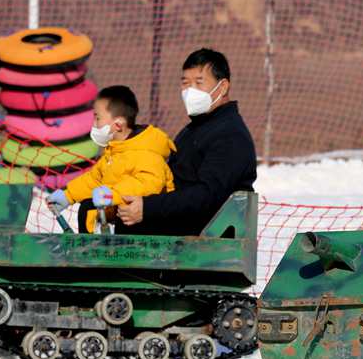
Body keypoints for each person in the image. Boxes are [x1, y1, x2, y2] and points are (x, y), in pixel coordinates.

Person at [116, 48, 257, 236]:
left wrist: (148, 208)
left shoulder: (230, 135)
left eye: (199, 83)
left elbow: (207, 195)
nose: (190, 91)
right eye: (185, 83)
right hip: (182, 233)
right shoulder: (196, 128)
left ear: (222, 87)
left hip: (206, 243)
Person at [46, 85, 175, 233]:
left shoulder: (146, 152)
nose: (94, 125)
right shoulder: (115, 151)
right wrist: (67, 195)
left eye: (98, 118)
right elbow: (94, 180)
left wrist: (112, 194)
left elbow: (148, 184)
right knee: (87, 208)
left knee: (101, 210)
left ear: (118, 125)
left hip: (147, 229)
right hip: (117, 220)